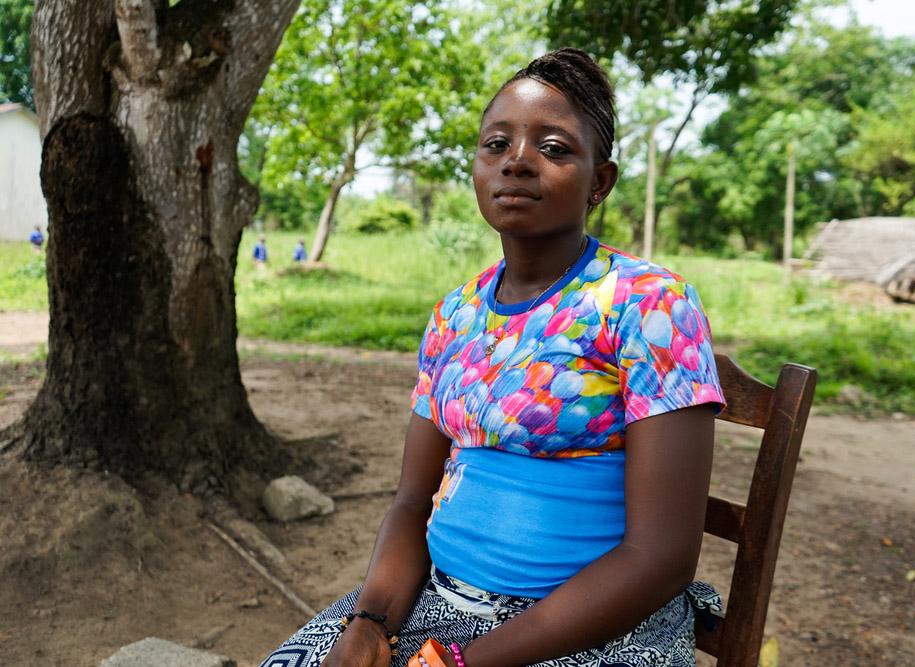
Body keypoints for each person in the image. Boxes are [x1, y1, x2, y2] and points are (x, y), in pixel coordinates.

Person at [260, 48, 725, 667]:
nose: (518, 162)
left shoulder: (648, 306)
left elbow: (660, 558)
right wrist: (370, 622)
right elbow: (410, 501)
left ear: (600, 182)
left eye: (555, 148)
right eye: (496, 144)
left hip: (600, 629)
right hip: (442, 608)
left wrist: (465, 664)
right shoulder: (456, 314)